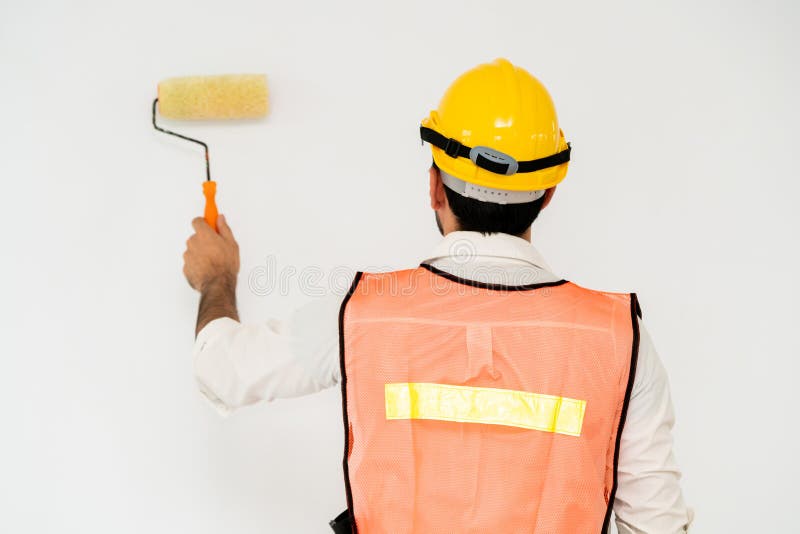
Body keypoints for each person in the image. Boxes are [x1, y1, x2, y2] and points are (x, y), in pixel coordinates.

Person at [182, 58, 692, 533]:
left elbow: (221, 369)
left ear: (435, 188)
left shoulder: (360, 317)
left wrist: (217, 278)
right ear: (549, 194)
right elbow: (659, 526)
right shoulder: (619, 339)